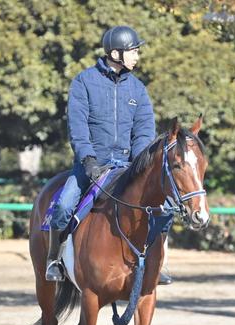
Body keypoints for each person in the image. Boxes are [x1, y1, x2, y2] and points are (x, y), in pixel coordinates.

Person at [46, 25, 156, 281]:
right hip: (92, 165)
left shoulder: (138, 89)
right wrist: (89, 161)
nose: (137, 56)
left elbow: (144, 130)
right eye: (133, 51)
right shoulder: (84, 82)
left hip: (128, 167)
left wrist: (140, 165)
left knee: (160, 208)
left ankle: (156, 263)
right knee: (63, 206)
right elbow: (78, 127)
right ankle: (55, 260)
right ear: (116, 54)